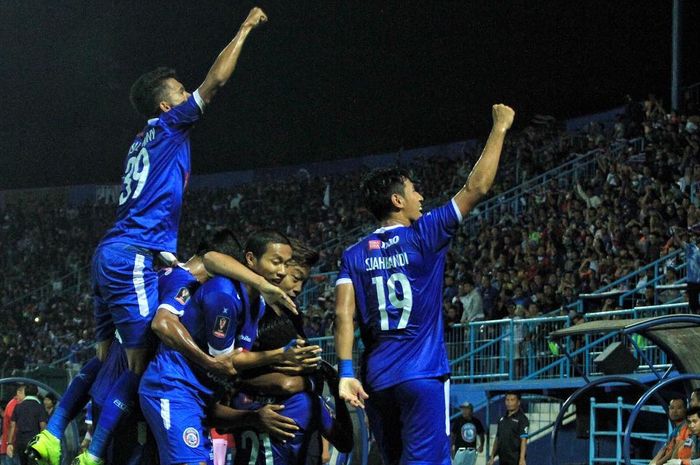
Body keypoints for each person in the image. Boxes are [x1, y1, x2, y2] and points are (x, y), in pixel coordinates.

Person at [29, 8, 273, 465]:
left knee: (110, 356)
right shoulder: (170, 126)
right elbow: (214, 84)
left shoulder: (141, 140)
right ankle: (93, 453)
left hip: (109, 254)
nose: (186, 95)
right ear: (166, 106)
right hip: (135, 256)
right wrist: (242, 30)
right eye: (179, 92)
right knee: (144, 358)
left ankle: (55, 429)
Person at [335, 104, 515, 465]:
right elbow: (476, 186)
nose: (421, 197)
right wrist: (500, 128)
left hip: (377, 380)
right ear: (397, 200)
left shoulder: (353, 255)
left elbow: (342, 315)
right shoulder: (424, 233)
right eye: (414, 191)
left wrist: (345, 373)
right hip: (422, 374)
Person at [139, 231, 317, 465]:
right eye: (276, 262)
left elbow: (238, 358)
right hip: (173, 388)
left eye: (286, 264)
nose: (282, 272)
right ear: (251, 259)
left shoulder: (259, 305)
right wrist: (281, 355)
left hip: (200, 401)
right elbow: (226, 363)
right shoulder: (223, 294)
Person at [7, 385, 47, 465]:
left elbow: (12, 426)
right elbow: (43, 425)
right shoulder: (39, 407)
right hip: (34, 442)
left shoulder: (18, 407)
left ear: (25, 393)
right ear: (37, 393)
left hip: (20, 441)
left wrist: (10, 443)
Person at [488, 392, 529, 465]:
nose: (509, 403)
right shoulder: (501, 419)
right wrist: (492, 456)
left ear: (518, 402)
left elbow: (524, 440)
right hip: (502, 460)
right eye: (507, 400)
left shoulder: (523, 419)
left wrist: (522, 459)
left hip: (515, 461)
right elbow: (497, 439)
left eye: (512, 400)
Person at [649, 398, 687, 465]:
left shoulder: (686, 427)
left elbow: (674, 451)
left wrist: (657, 463)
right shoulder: (675, 430)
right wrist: (653, 462)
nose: (674, 411)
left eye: (679, 408)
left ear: (685, 410)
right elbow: (664, 447)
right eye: (672, 408)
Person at [1, 385, 25, 465]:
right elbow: (14, 425)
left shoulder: (16, 405)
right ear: (19, 393)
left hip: (12, 447)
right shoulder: (13, 405)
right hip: (11, 448)